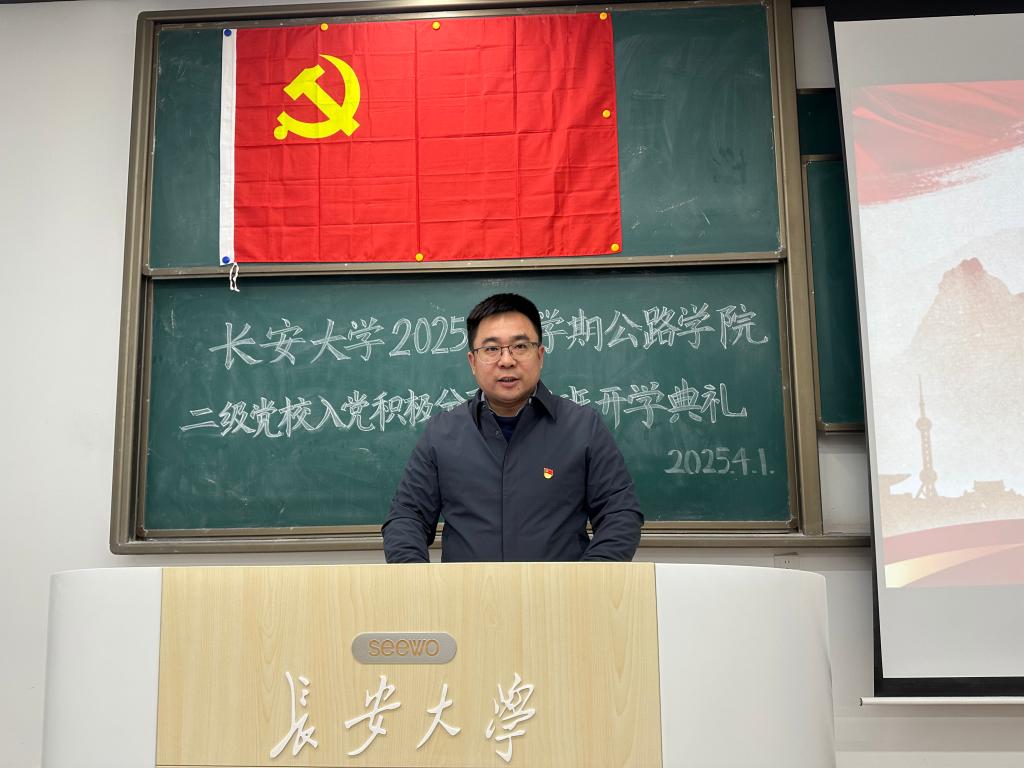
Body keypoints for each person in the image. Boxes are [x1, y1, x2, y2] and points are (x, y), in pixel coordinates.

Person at [382, 293, 642, 562]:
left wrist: (586, 579)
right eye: (491, 349)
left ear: (540, 355)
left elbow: (620, 514)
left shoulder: (583, 427)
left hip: (560, 590)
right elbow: (407, 518)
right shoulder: (441, 433)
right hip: (467, 590)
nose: (506, 360)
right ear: (472, 362)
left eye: (520, 346)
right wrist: (417, 579)